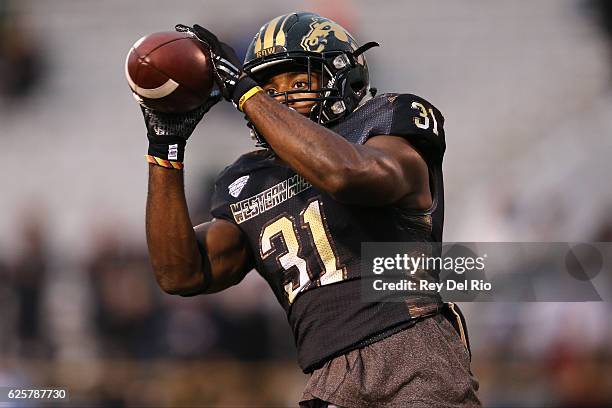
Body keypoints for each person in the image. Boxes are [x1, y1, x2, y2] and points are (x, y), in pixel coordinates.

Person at [140, 12, 480, 407]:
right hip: (327, 375)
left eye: (299, 82)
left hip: (409, 347)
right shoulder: (248, 176)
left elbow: (347, 174)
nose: (280, 98)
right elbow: (181, 273)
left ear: (344, 78)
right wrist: (165, 148)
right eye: (269, 88)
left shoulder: (386, 121)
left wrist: (249, 93)